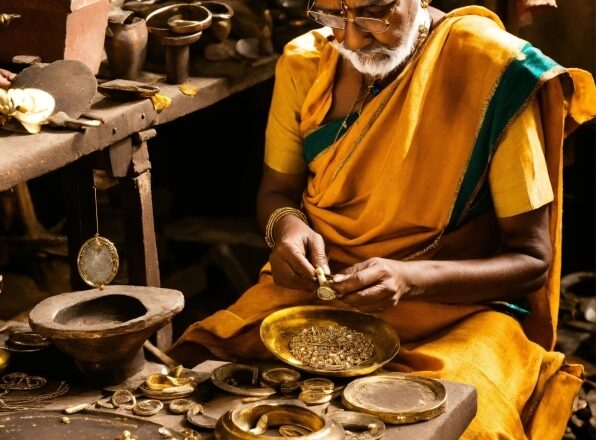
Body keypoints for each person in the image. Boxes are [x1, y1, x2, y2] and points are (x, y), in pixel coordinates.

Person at [168, 1, 596, 438]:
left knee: (463, 422)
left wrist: (411, 279)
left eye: (374, 13)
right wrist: (287, 228)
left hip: (457, 310)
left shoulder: (491, 70)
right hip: (319, 296)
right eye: (333, 15)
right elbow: (277, 192)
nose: (352, 39)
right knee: (206, 386)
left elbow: (530, 260)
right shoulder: (304, 62)